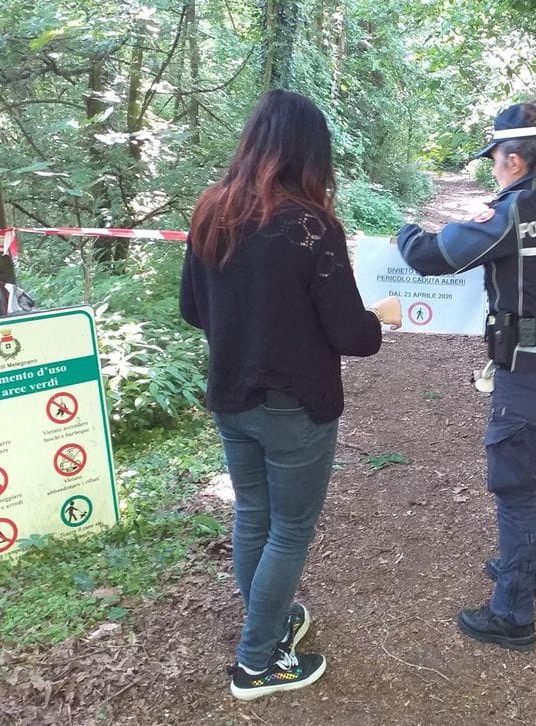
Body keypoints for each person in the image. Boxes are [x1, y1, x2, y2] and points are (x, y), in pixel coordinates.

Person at [180, 89, 401, 699]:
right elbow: (352, 335)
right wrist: (381, 317)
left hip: (231, 397)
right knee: (290, 530)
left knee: (253, 515)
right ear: (311, 152)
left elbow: (193, 309)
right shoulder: (311, 225)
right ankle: (257, 662)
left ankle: (269, 622)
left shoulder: (211, 211)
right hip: (294, 408)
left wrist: (247, 324)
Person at [396, 99, 536, 651]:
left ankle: (512, 614)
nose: (493, 169)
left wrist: (405, 230)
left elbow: (430, 256)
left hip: (525, 378)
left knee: (514, 492)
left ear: (515, 160)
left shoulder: (513, 211)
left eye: (495, 160)